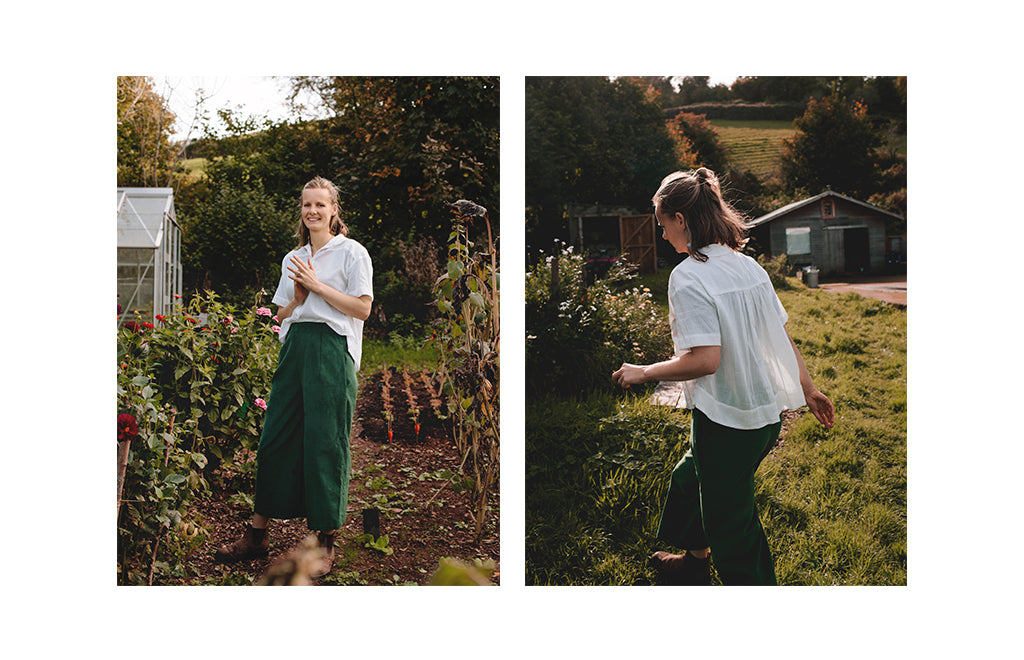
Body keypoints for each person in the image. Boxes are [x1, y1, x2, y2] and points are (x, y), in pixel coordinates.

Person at [612, 168, 834, 586]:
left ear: (681, 219)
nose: (662, 236)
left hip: (727, 423)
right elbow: (781, 337)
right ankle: (694, 562)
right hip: (762, 417)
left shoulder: (688, 275)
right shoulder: (747, 266)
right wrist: (809, 388)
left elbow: (705, 360)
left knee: (733, 527)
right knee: (689, 479)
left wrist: (642, 372)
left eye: (662, 224)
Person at [215, 176, 373, 578]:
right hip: (295, 348)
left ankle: (324, 540)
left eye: (321, 204)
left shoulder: (352, 253)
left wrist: (317, 288)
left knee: (326, 442)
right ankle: (257, 536)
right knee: (274, 439)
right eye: (307, 205)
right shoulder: (293, 258)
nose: (313, 212)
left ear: (334, 209)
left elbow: (362, 309)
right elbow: (281, 314)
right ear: (301, 210)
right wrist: (298, 299)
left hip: (331, 351)